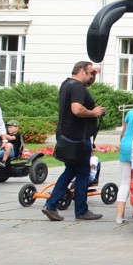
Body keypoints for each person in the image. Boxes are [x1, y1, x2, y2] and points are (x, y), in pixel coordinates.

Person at [41, 61, 106, 222]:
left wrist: (95, 74)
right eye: (90, 73)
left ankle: (51, 205)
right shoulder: (77, 86)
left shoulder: (66, 84)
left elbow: (87, 85)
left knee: (71, 171)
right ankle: (80, 210)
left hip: (67, 135)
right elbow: (76, 109)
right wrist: (94, 112)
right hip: (77, 138)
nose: (92, 76)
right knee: (83, 173)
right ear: (82, 71)